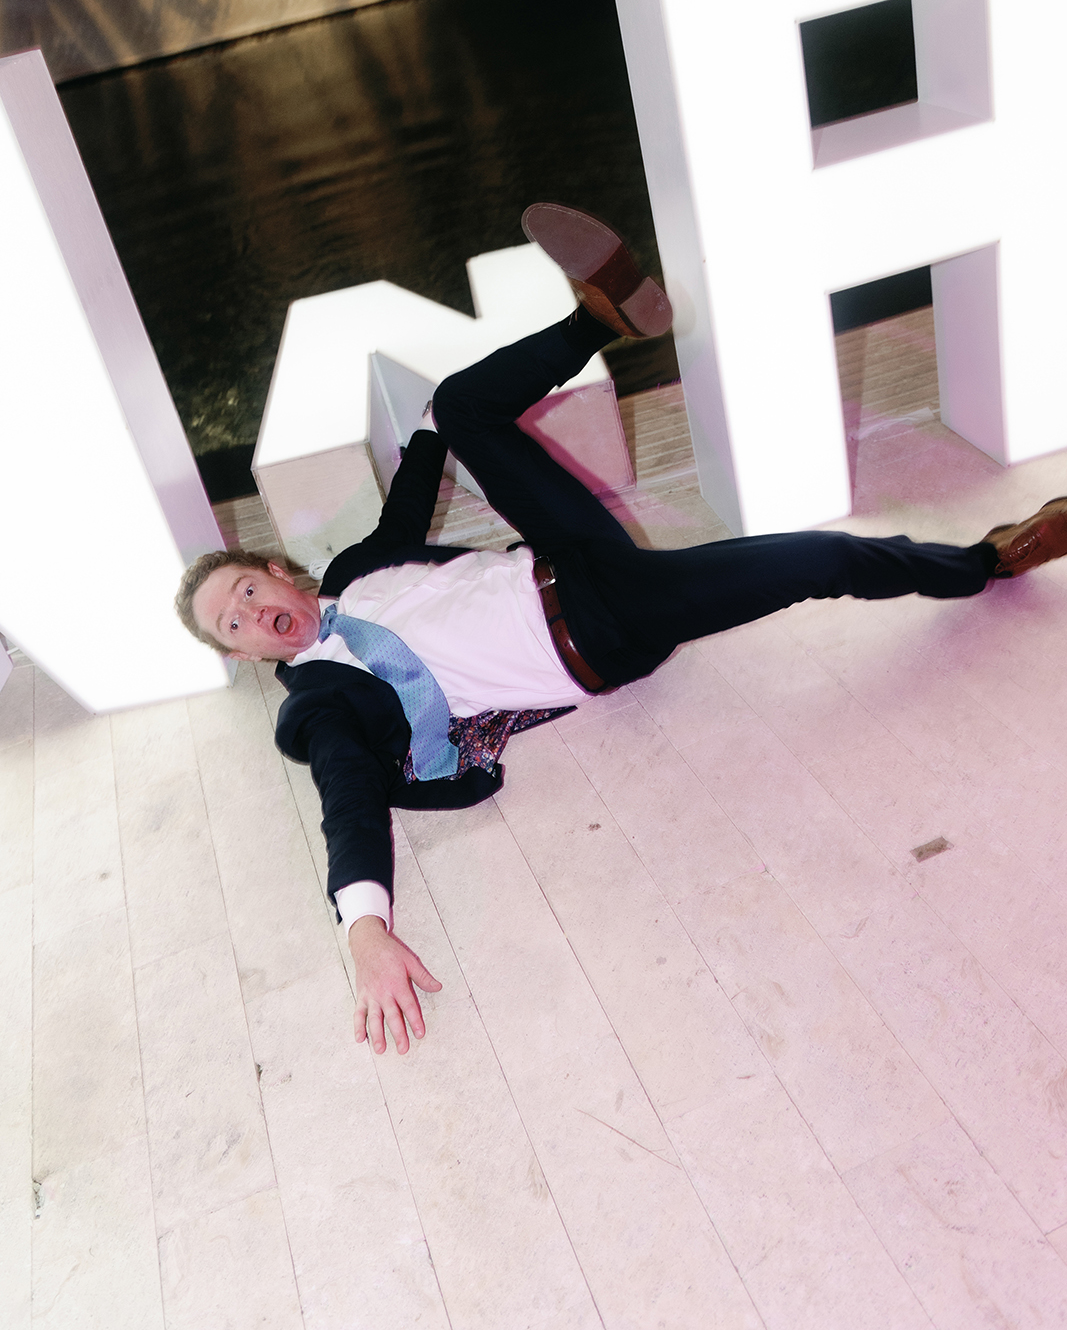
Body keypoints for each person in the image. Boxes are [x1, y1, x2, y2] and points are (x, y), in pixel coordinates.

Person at [176, 203, 1067, 1057]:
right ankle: (988, 561)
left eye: (249, 585)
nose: (255, 610)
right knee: (820, 559)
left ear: (280, 572)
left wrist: (426, 432)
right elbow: (347, 803)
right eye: (236, 621)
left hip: (570, 556)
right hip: (604, 628)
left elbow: (412, 492)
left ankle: (601, 315)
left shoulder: (350, 576)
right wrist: (363, 929)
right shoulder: (322, 704)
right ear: (246, 656)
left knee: (460, 405)